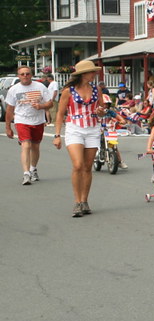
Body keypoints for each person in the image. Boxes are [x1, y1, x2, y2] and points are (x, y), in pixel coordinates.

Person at [53, 60, 107, 217]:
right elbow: (60, 113)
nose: (94, 74)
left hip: (92, 128)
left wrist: (101, 111)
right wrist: (57, 135)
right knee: (78, 165)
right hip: (74, 128)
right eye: (92, 72)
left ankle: (84, 200)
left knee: (87, 167)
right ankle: (77, 202)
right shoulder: (68, 91)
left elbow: (102, 110)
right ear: (83, 74)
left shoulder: (96, 89)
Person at [5, 66, 52, 185]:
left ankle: (33, 169)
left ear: (31, 75)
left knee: (35, 146)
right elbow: (10, 109)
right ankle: (26, 174)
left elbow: (50, 103)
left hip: (38, 121)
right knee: (26, 145)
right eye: (22, 74)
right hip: (21, 120)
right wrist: (8, 127)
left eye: (27, 74)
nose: (25, 76)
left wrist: (40, 106)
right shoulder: (14, 90)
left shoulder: (40, 87)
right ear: (18, 76)